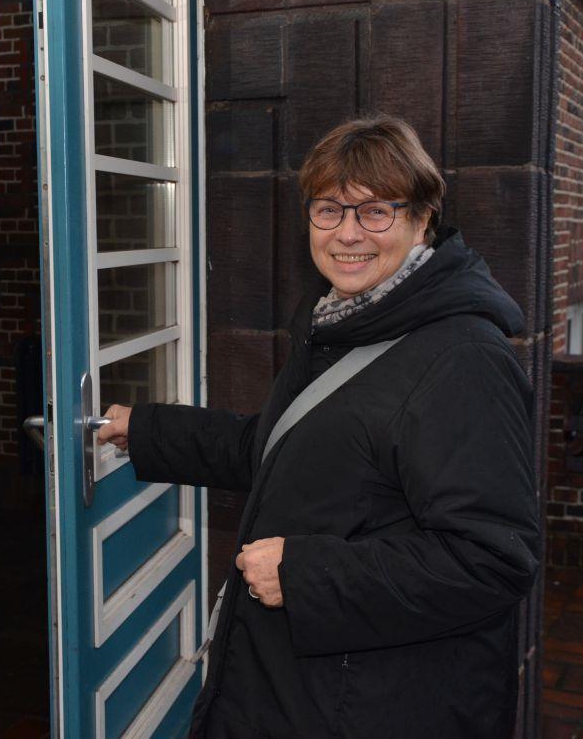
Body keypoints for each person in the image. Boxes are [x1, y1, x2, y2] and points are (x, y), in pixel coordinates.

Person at [98, 116, 540, 738]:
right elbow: (282, 453)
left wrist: (306, 575)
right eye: (329, 210)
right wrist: (145, 429)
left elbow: (492, 559)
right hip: (317, 686)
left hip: (378, 702)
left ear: (422, 218)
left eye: (376, 211)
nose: (348, 234)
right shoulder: (339, 322)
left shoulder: (463, 359)